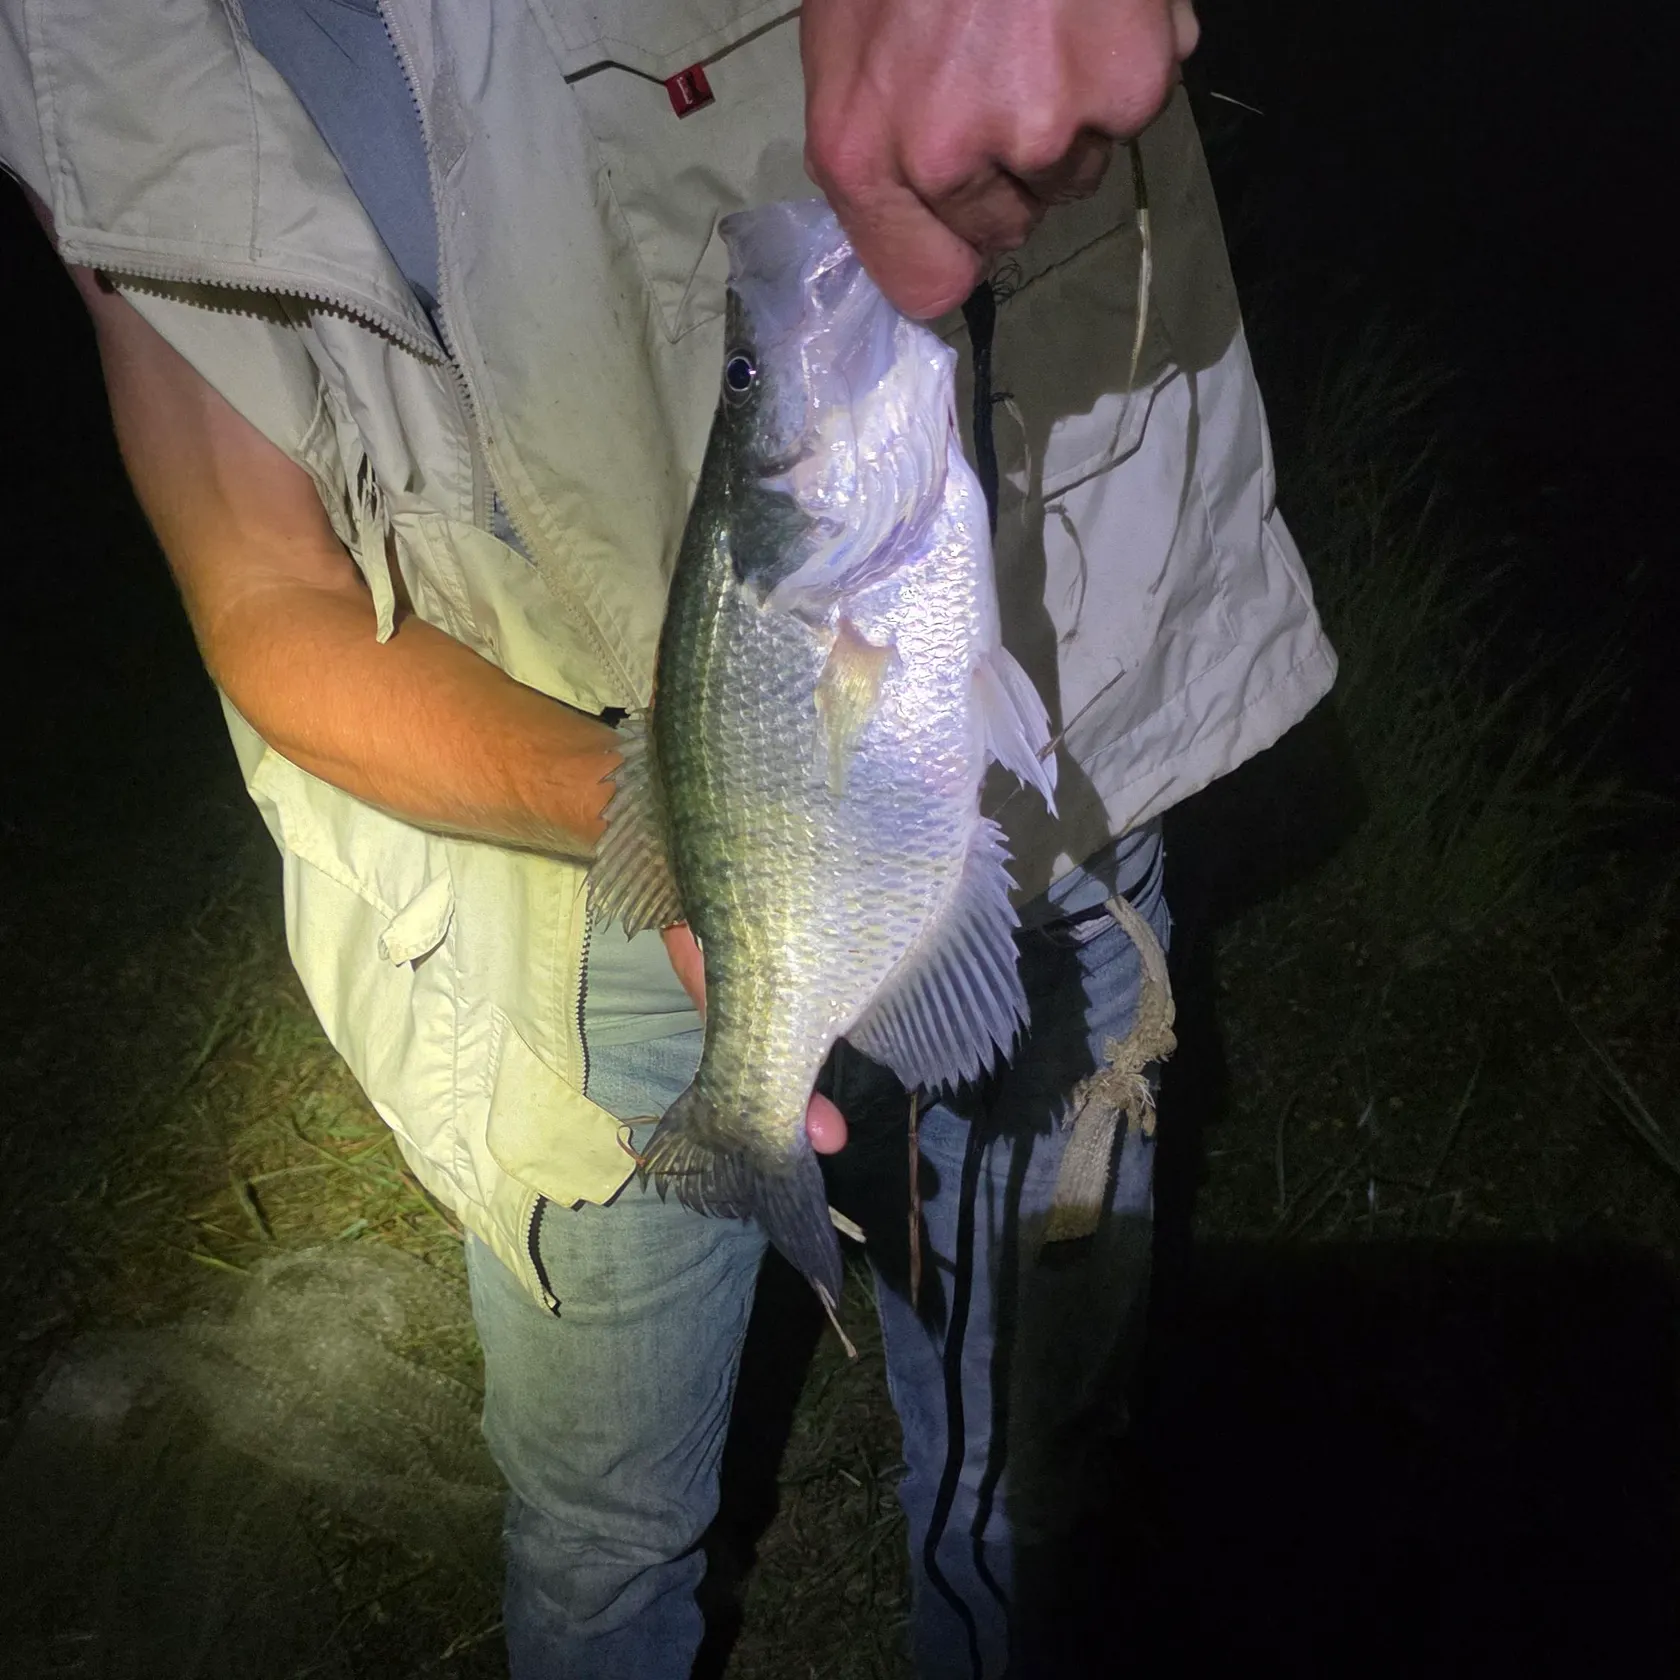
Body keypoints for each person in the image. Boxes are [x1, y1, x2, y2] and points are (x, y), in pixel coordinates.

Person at [0, 1, 1334, 1673]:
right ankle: (749, 1141)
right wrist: (668, 824)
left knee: (1035, 1474)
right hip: (564, 843)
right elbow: (265, 586)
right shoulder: (75, 35)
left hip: (1056, 780)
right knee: (599, 1525)